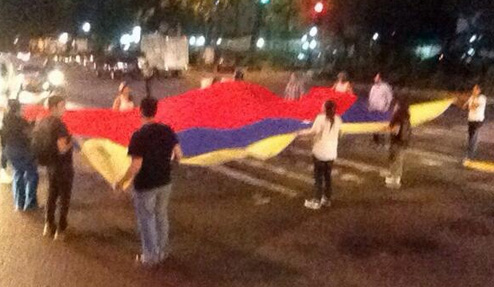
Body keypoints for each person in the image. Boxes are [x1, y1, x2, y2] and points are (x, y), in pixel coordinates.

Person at [116, 97, 183, 266]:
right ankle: (162, 251)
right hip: (165, 182)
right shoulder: (167, 130)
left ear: (141, 111)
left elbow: (136, 165)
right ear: (156, 110)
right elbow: (179, 155)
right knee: (161, 216)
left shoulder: (139, 135)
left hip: (146, 184)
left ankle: (150, 256)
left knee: (147, 220)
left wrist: (122, 181)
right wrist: (167, 163)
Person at [35, 95, 75, 240]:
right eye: (62, 105)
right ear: (54, 107)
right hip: (63, 166)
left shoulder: (42, 122)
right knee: (64, 198)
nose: (64, 109)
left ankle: (48, 224)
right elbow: (62, 149)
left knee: (52, 194)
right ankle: (61, 229)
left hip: (50, 165)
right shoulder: (59, 125)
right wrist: (73, 141)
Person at [298, 101, 342, 210]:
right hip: (331, 153)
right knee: (327, 177)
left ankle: (316, 201)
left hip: (320, 153)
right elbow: (340, 133)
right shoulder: (338, 119)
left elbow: (313, 132)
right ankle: (327, 199)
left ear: (325, 108)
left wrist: (299, 133)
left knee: (318, 178)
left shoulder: (320, 119)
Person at [2, 99, 39, 210]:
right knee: (32, 174)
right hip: (23, 150)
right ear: (18, 109)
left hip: (10, 150)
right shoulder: (21, 121)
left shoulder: (5, 121)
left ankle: (19, 203)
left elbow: (3, 139)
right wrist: (33, 124)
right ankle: (30, 203)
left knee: (18, 173)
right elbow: (29, 135)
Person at [385, 96, 411, 189]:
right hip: (404, 141)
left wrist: (387, 129)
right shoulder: (406, 116)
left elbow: (396, 130)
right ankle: (395, 178)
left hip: (397, 141)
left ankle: (394, 179)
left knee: (395, 159)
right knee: (399, 159)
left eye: (396, 105)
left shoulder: (398, 116)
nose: (394, 106)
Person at [368, 73, 394, 145]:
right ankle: (375, 139)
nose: (375, 79)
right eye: (375, 77)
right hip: (374, 108)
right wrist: (370, 106)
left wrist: (387, 106)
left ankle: (381, 139)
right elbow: (371, 97)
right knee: (374, 124)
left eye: (376, 77)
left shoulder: (385, 87)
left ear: (380, 78)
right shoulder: (373, 87)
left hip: (381, 108)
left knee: (381, 124)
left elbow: (389, 97)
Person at [463, 84, 486, 162]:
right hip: (471, 120)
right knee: (470, 137)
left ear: (479, 91)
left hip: (478, 120)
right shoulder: (471, 97)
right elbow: (465, 106)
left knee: (473, 137)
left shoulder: (482, 98)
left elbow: (473, 106)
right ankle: (470, 152)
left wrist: (471, 102)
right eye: (473, 89)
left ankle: (470, 155)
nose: (473, 91)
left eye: (475, 90)